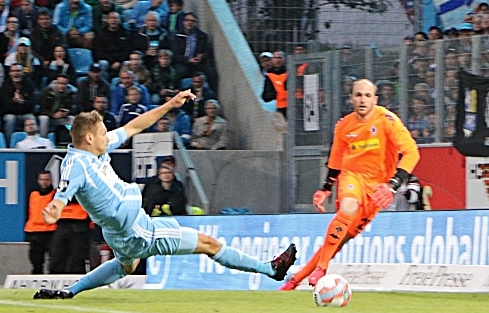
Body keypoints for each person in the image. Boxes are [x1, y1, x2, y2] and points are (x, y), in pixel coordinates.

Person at [34, 91, 298, 299]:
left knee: (125, 265)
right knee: (208, 244)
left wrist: (170, 105)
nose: (108, 136)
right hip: (138, 230)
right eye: (103, 132)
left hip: (123, 231)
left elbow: (134, 127)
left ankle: (71, 290)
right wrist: (55, 208)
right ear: (89, 138)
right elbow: (64, 190)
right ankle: (270, 270)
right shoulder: (76, 164)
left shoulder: (95, 150)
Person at [281, 79, 419, 290]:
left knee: (340, 239)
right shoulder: (344, 126)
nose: (362, 99)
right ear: (351, 98)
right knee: (348, 208)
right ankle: (322, 267)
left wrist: (392, 185)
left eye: (367, 95)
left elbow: (411, 152)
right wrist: (326, 188)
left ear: (375, 99)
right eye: (358, 95)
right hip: (352, 176)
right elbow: (336, 160)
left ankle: (296, 279)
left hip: (377, 189)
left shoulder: (387, 120)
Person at [25, 171, 57, 273]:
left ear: (51, 181)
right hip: (35, 231)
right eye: (42, 179)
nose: (44, 182)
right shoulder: (33, 195)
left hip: (50, 231)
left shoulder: (55, 194)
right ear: (38, 181)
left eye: (47, 179)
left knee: (55, 258)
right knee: (36, 259)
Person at [261, 50, 287, 117]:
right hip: (278, 108)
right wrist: (275, 93)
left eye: (279, 58)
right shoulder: (269, 75)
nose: (277, 60)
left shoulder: (290, 73)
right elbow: (265, 96)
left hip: (291, 106)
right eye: (275, 58)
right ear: (272, 60)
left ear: (284, 59)